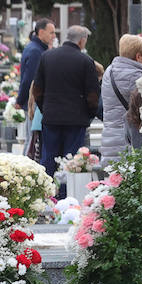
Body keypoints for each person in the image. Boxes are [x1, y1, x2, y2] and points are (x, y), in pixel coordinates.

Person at [32, 25, 101, 177]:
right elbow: (93, 94)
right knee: (72, 161)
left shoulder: (47, 57)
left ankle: (48, 192)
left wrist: (45, 108)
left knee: (49, 157)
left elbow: (37, 89)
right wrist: (89, 114)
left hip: (51, 117)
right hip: (76, 119)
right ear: (82, 41)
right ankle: (67, 193)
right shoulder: (85, 61)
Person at [99, 34, 142, 159]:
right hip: (126, 142)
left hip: (109, 138)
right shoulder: (135, 76)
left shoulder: (109, 71)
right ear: (138, 57)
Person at [18, 18, 56, 162]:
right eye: (51, 33)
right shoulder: (36, 51)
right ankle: (24, 170)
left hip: (33, 99)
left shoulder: (36, 48)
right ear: (41, 32)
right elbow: (30, 79)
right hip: (34, 100)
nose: (54, 36)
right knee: (31, 139)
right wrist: (21, 100)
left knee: (31, 138)